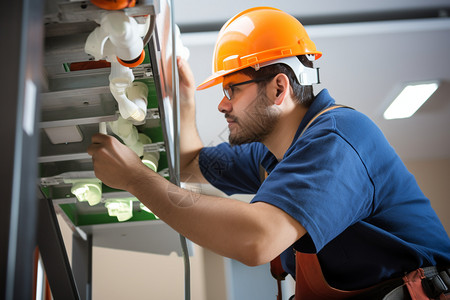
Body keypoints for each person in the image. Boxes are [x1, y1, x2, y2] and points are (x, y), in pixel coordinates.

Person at [88, 7, 450, 299]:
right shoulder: (273, 157)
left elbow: (258, 239)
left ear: (279, 88)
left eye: (233, 90)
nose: (222, 105)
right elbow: (190, 165)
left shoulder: (338, 139)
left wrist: (136, 179)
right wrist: (184, 101)